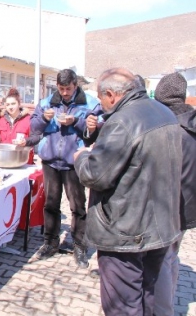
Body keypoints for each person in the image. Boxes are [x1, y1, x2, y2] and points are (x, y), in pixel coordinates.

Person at [74, 68, 182, 316]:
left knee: (123, 305)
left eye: (101, 99)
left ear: (111, 94)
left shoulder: (122, 122)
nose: (100, 105)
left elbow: (96, 175)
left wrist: (82, 158)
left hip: (126, 231)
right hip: (159, 227)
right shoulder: (163, 112)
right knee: (149, 298)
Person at [29, 69, 101, 268]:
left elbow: (96, 131)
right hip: (51, 161)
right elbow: (33, 127)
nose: (65, 93)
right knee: (50, 203)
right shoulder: (46, 103)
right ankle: (50, 242)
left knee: (77, 206)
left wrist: (76, 121)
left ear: (75, 85)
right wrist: (44, 118)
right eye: (61, 89)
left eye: (68, 89)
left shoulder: (90, 103)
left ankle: (79, 246)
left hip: (74, 162)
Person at [153, 72, 196, 316]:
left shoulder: (169, 129)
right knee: (172, 258)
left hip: (167, 208)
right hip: (187, 206)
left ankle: (162, 310)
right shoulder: (190, 122)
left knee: (161, 264)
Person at [0, 89, 38, 164]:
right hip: (4, 161)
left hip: (24, 163)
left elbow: (36, 137)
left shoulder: (29, 119)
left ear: (19, 104)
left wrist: (25, 142)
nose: (10, 107)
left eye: (13, 104)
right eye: (8, 104)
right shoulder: (1, 120)